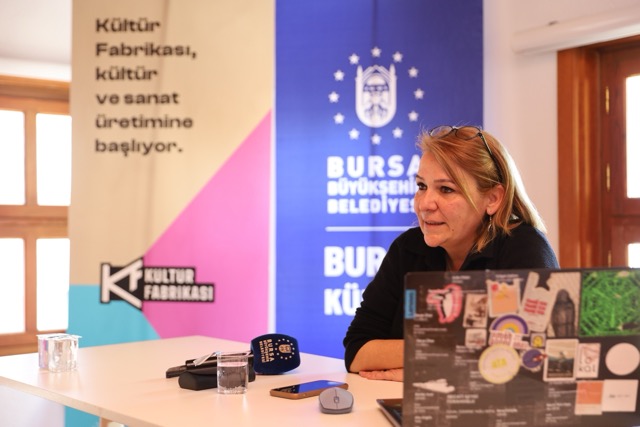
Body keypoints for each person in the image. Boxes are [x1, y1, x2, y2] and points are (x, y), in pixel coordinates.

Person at [343, 125, 559, 382]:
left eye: (446, 189)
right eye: (422, 186)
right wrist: (449, 356)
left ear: (493, 199)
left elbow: (534, 360)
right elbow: (357, 352)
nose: (425, 204)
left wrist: (425, 366)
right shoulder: (408, 248)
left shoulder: (524, 248)